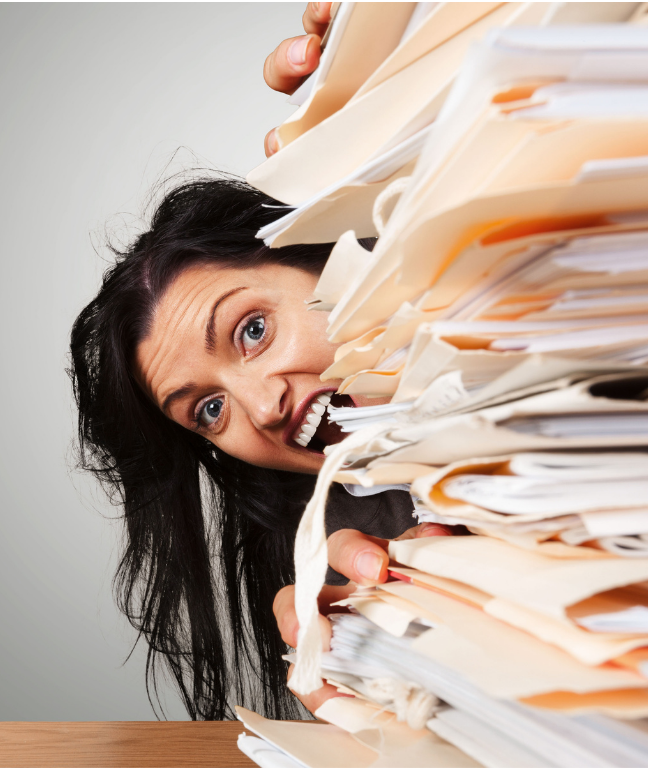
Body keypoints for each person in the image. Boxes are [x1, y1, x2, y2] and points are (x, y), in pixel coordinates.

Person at [69, 4, 452, 722]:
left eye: (250, 330)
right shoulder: (361, 539)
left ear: (330, 256)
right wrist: (381, 679)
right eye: (208, 411)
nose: (262, 405)